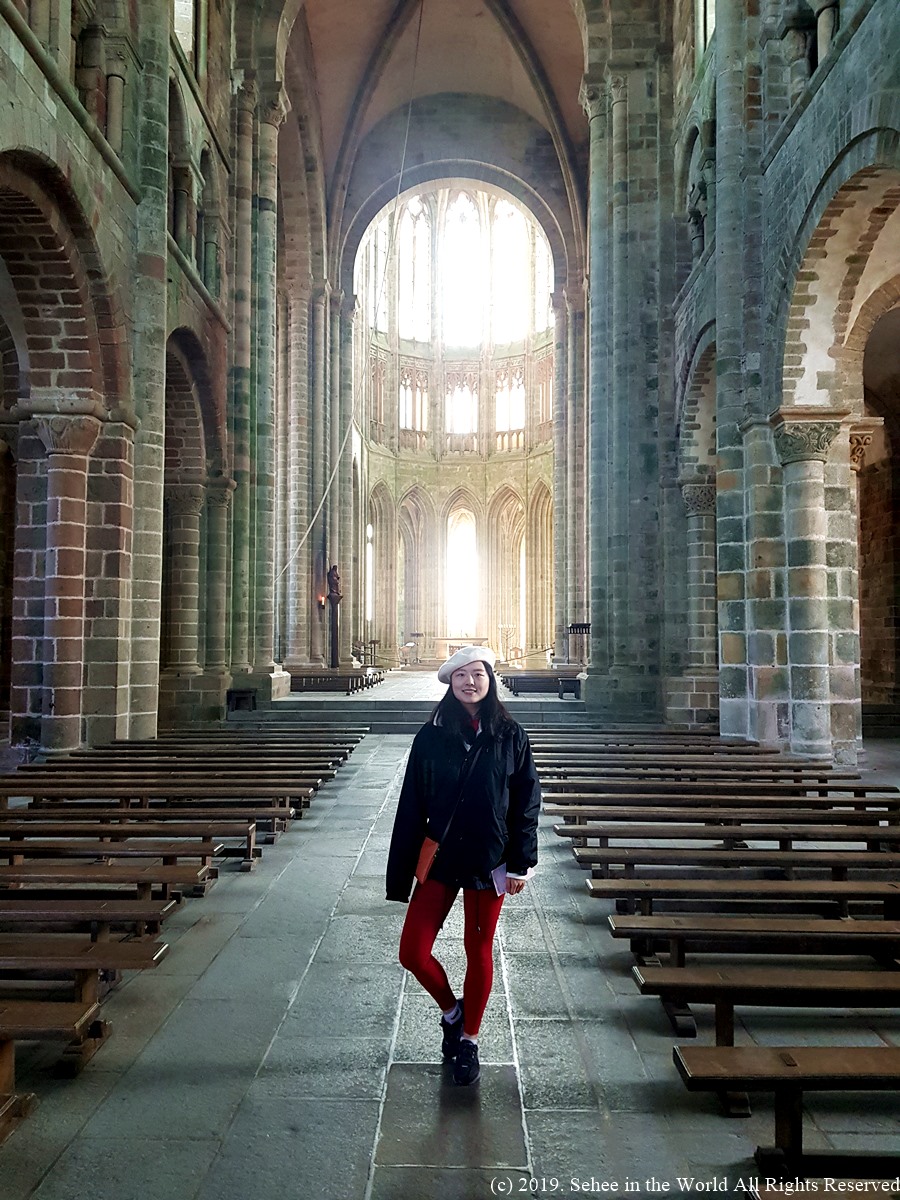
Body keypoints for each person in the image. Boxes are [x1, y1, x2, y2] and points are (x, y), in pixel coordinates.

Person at [386, 645, 541, 1086]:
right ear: (450, 684)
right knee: (412, 951)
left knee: (479, 951)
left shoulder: (511, 735)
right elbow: (412, 804)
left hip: (489, 859)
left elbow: (526, 803)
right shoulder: (431, 736)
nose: (470, 682)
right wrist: (401, 870)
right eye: (461, 676)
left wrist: (520, 863)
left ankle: (469, 1039)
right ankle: (453, 1012)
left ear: (490, 680)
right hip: (442, 856)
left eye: (478, 674)